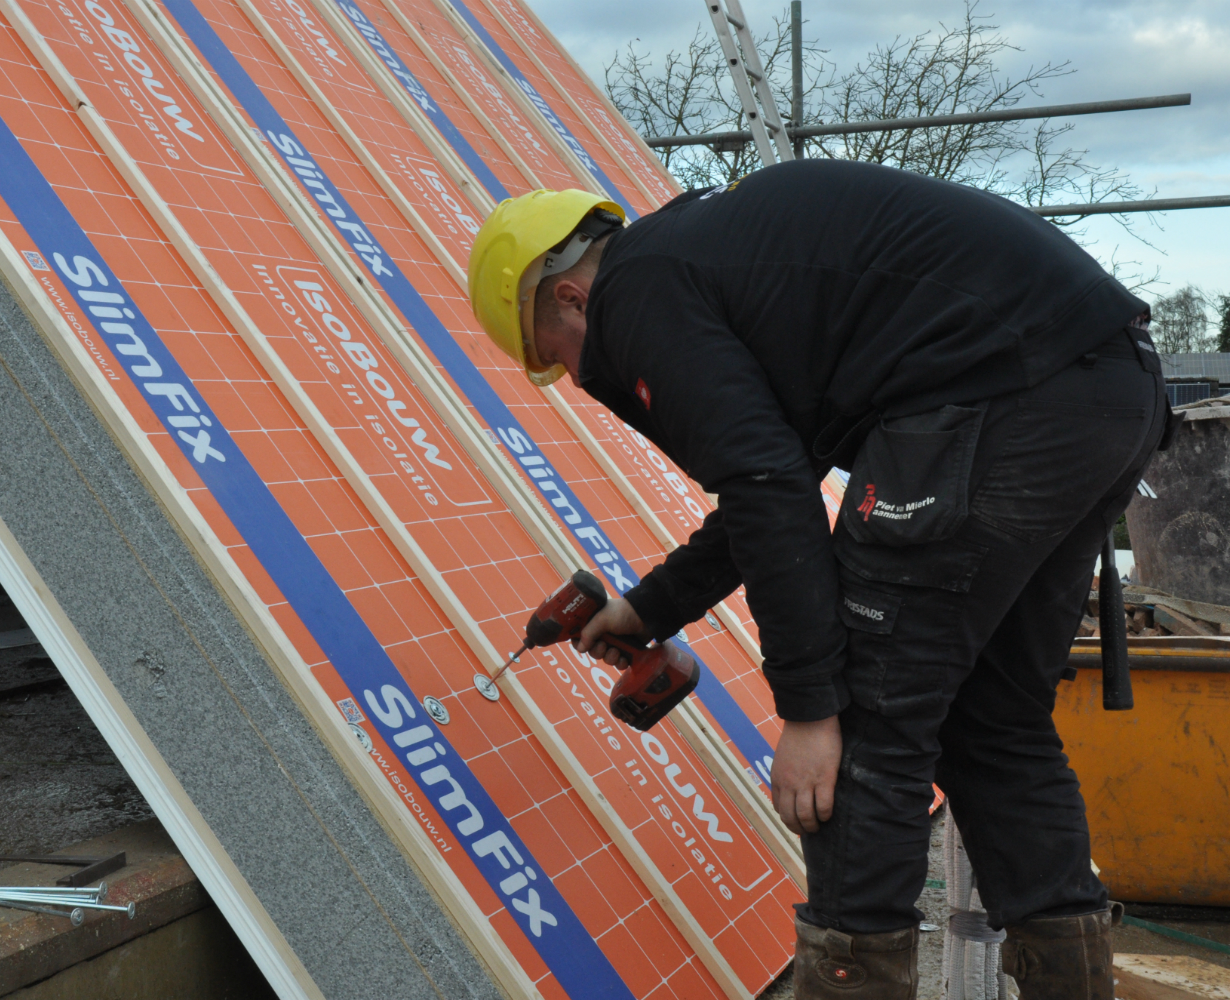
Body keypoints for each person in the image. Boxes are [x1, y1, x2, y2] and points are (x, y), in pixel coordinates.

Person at [467, 164, 1175, 1000]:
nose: (583, 380)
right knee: (994, 720)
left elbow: (767, 487)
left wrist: (811, 709)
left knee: (866, 734)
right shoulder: (718, 259)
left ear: (571, 300)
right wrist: (651, 606)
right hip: (1106, 391)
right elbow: (774, 475)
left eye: (560, 358)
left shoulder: (640, 294)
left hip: (994, 403)